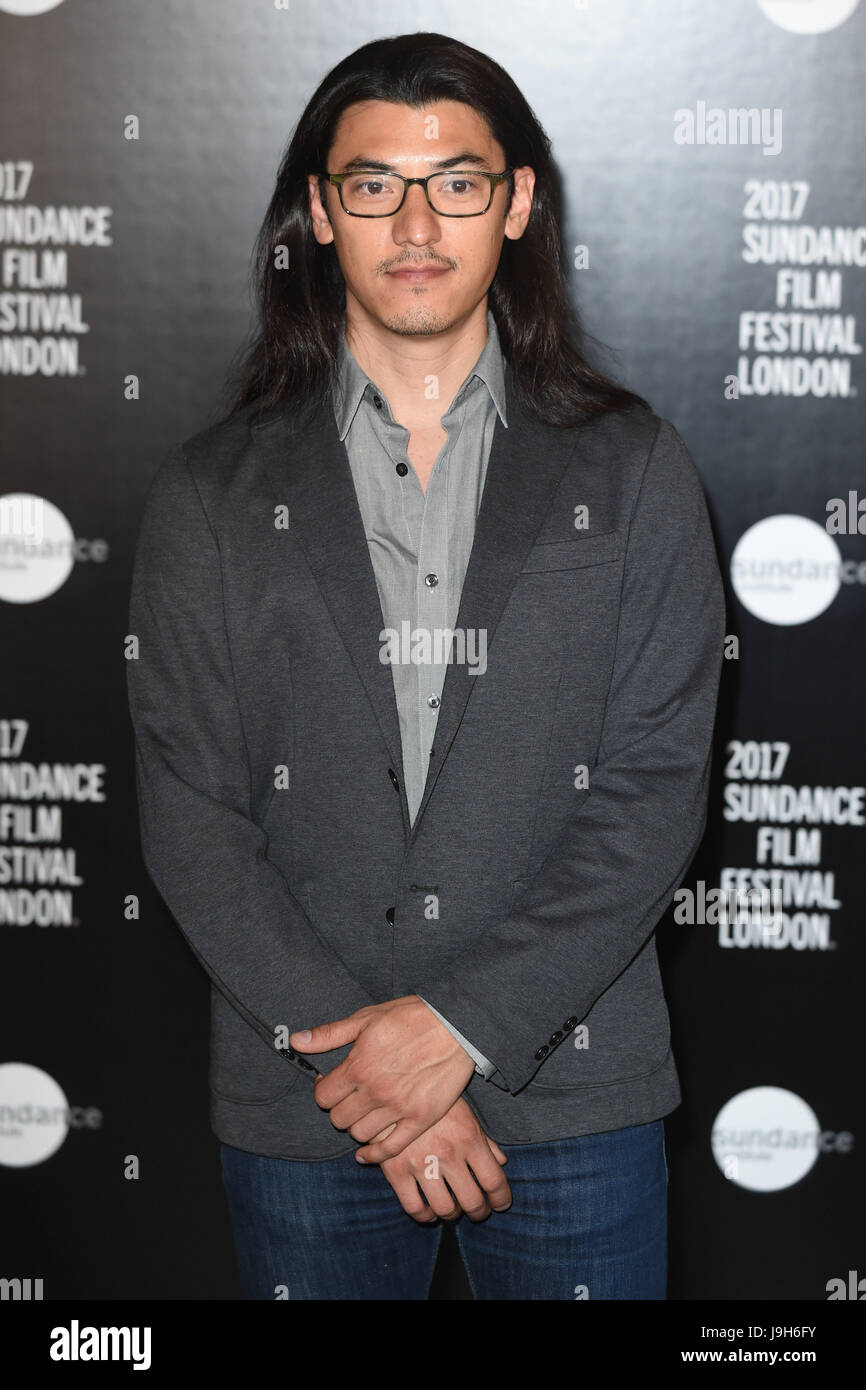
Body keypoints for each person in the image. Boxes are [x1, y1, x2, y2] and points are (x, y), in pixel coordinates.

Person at [126, 31, 725, 1301]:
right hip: (310, 1105)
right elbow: (193, 816)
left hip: (572, 1090)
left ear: (513, 205)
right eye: (371, 184)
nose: (413, 221)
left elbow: (651, 790)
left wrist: (457, 1031)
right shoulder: (210, 495)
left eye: (454, 181)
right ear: (317, 210)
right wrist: (375, 1076)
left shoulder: (632, 472)